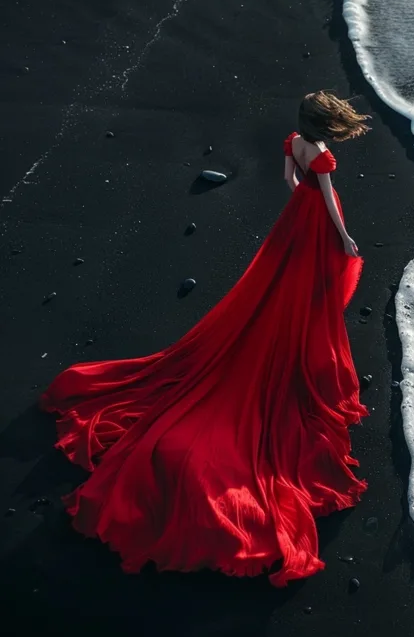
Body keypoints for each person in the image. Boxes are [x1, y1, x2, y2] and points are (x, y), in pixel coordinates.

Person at [41, 90, 371, 586]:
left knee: (277, 282)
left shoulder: (295, 143)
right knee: (311, 290)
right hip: (317, 219)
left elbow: (290, 182)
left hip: (293, 221)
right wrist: (342, 236)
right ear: (325, 124)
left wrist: (303, 204)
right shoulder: (321, 155)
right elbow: (325, 198)